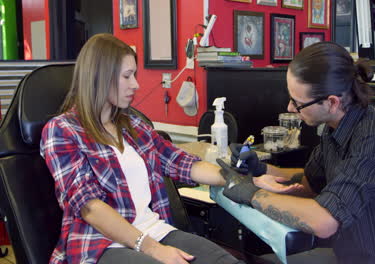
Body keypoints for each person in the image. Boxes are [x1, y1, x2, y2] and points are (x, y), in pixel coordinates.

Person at [40, 33, 243, 264]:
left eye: (134, 75)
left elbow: (181, 162)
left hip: (155, 231)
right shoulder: (62, 130)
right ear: (99, 77)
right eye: (127, 76)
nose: (135, 84)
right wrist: (151, 249)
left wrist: (237, 177)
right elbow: (90, 208)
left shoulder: (134, 125)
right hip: (101, 244)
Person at [217, 42, 375, 263]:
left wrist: (251, 194)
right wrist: (259, 168)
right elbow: (309, 184)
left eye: (298, 103)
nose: (290, 108)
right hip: (348, 254)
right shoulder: (335, 128)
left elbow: (323, 222)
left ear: (332, 102)